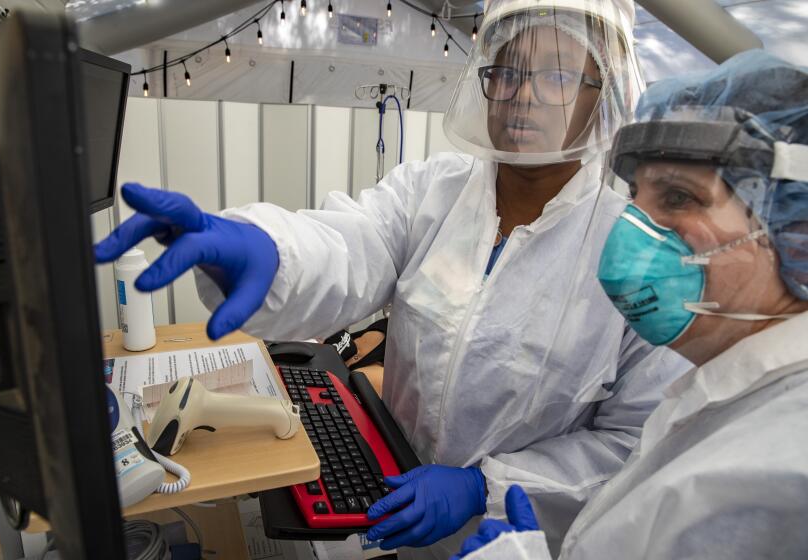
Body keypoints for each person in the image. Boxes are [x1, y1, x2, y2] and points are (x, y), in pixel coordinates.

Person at [94, 1, 689, 557]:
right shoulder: (435, 191)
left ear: (600, 93)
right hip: (394, 489)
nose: (522, 96)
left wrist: (483, 485)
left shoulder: (634, 256)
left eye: (556, 76)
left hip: (515, 533)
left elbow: (636, 441)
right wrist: (268, 252)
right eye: (507, 72)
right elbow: (351, 245)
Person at [453, 49, 808, 560]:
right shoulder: (725, 394)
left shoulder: (781, 470)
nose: (630, 230)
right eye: (637, 197)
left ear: (794, 230)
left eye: (679, 198)